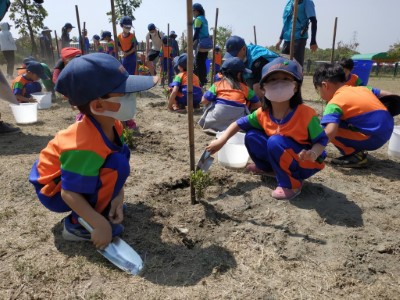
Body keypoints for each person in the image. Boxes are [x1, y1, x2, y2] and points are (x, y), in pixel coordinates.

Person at [29, 53, 158, 248]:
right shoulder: (85, 145)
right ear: (98, 105)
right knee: (116, 165)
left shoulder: (114, 125)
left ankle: (100, 206)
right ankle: (78, 225)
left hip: (70, 177)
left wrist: (117, 195)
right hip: (53, 189)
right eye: (125, 93)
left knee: (120, 157)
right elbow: (68, 192)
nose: (133, 97)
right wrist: (99, 224)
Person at [206, 57, 328, 200]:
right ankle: (268, 169)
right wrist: (221, 141)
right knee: (251, 136)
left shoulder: (306, 114)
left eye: (285, 79)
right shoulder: (263, 114)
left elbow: (321, 140)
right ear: (263, 88)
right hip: (283, 154)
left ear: (295, 86)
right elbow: (238, 124)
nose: (279, 83)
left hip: (306, 163)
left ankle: (292, 184)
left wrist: (313, 153)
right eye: (273, 79)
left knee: (275, 141)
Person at [313, 63, 394, 168]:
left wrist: (314, 149)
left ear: (325, 85)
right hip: (388, 130)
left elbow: (330, 131)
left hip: (373, 137)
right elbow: (388, 95)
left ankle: (355, 156)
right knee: (341, 120)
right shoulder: (362, 88)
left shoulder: (334, 102)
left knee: (326, 127)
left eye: (318, 90)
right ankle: (358, 148)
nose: (319, 94)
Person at [198, 57, 261, 133]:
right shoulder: (245, 88)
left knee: (211, 99)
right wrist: (248, 107)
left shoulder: (217, 85)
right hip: (237, 125)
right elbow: (258, 104)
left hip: (216, 122)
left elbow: (204, 101)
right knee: (246, 103)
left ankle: (212, 124)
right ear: (238, 75)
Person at [275, 0, 318, 67]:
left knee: (296, 65)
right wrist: (280, 39)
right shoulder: (289, 2)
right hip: (287, 38)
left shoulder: (307, 2)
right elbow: (286, 22)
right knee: (284, 65)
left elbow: (314, 21)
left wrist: (313, 41)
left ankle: (297, 77)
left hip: (299, 38)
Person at [192, 3, 213, 87]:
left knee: (198, 62)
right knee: (203, 62)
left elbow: (197, 32)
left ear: (196, 11)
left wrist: (191, 42)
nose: (192, 13)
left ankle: (199, 81)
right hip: (207, 44)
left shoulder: (198, 20)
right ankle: (203, 79)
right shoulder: (204, 19)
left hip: (201, 43)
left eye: (193, 11)